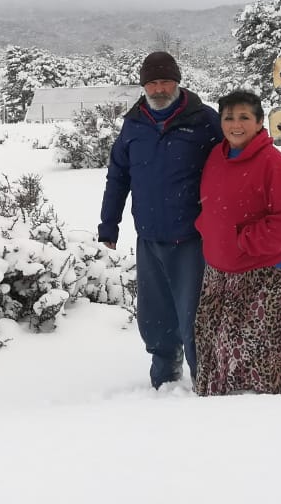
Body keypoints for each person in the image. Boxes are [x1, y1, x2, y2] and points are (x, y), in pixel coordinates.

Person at [98, 51, 222, 389]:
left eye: (165, 80)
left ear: (178, 81)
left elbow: (231, 165)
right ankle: (165, 374)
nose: (158, 88)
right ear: (144, 86)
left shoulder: (204, 120)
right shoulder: (134, 124)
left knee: (194, 314)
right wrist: (109, 223)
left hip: (192, 237)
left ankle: (205, 378)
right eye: (151, 82)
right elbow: (118, 175)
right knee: (155, 316)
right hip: (149, 236)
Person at [193, 89, 281, 396]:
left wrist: (242, 241)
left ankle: (266, 417)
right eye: (228, 117)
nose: (235, 124)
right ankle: (220, 407)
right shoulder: (217, 155)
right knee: (214, 342)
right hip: (220, 268)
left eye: (244, 117)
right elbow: (211, 202)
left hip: (265, 270)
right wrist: (210, 231)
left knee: (256, 352)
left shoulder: (272, 162)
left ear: (258, 122)